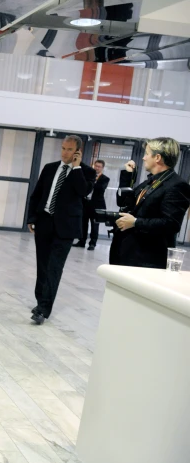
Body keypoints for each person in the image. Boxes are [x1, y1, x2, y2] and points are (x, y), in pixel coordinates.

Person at [26, 135, 95, 325]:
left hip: (66, 228)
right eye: (63, 148)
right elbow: (37, 194)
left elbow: (83, 191)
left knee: (54, 268)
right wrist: (31, 218)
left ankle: (43, 310)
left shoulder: (86, 172)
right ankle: (41, 301)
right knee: (42, 265)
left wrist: (76, 167)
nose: (65, 152)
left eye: (69, 150)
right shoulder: (49, 168)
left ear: (78, 152)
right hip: (44, 222)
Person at [110, 138, 190, 268]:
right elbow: (123, 202)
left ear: (157, 157)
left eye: (147, 153)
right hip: (129, 253)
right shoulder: (149, 182)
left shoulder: (176, 185)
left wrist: (136, 222)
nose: (143, 158)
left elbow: (171, 224)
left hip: (147, 259)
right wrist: (128, 177)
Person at [74, 159, 109, 250]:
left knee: (94, 225)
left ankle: (92, 243)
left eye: (99, 167)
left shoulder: (105, 178)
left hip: (96, 205)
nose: (97, 168)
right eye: (95, 166)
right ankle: (82, 241)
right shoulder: (88, 176)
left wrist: (93, 180)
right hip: (86, 203)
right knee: (83, 223)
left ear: (102, 168)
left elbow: (101, 188)